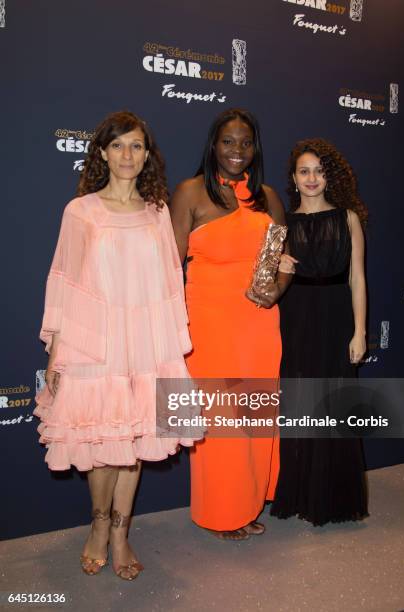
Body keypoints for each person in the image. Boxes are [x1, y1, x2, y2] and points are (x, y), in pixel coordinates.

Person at [34, 111, 198, 579]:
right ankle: (99, 526)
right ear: (103, 153)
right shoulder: (80, 211)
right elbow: (63, 284)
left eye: (137, 146)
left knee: (134, 441)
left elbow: (171, 281)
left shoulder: (158, 211)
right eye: (119, 145)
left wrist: (171, 347)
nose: (128, 155)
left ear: (148, 155)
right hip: (94, 343)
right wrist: (56, 352)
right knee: (101, 442)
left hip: (145, 345)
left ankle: (122, 533)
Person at [170, 108, 292, 540]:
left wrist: (277, 289)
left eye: (245, 142)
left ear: (255, 147)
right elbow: (169, 263)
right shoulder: (189, 193)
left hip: (258, 324)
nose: (236, 151)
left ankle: (247, 503)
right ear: (213, 145)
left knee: (254, 418)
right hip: (209, 324)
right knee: (222, 423)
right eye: (228, 141)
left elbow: (281, 260)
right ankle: (221, 510)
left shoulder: (270, 198)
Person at [270, 138, 369, 526]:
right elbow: (265, 280)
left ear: (329, 177)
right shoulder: (282, 225)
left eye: (319, 171)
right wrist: (277, 262)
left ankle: (333, 499)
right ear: (293, 178)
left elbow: (358, 278)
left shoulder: (347, 219)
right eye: (304, 171)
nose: (312, 178)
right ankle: (299, 493)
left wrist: (360, 331)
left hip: (336, 316)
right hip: (295, 318)